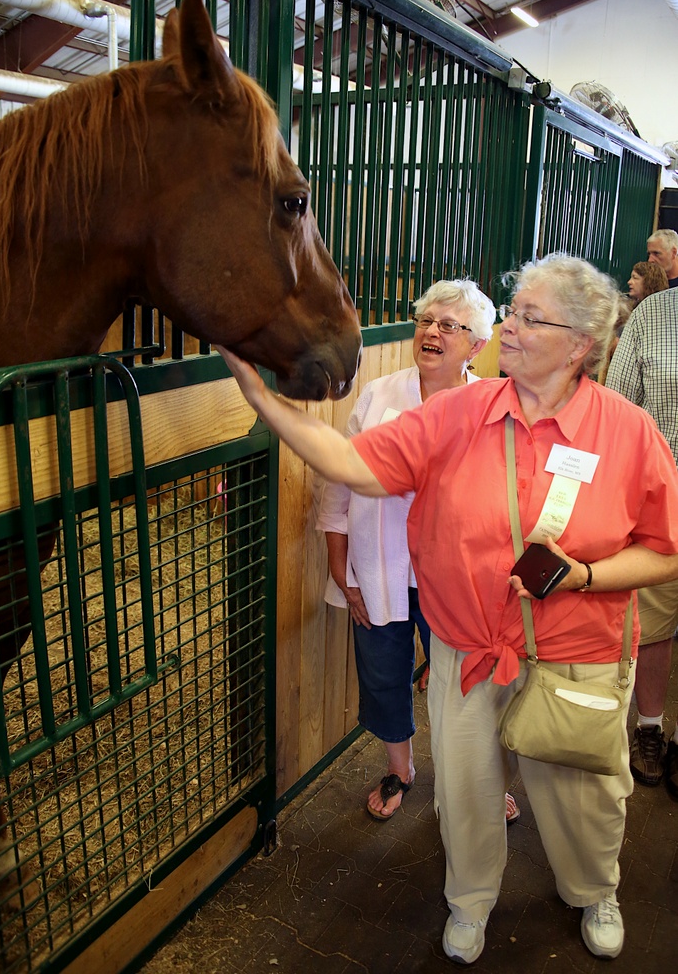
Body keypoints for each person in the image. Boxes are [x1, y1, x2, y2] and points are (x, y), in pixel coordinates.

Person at [215, 253, 678, 964]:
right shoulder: (457, 414)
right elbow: (350, 464)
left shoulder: (627, 432)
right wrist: (261, 400)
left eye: (529, 316)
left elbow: (664, 550)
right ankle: (469, 901)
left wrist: (583, 573)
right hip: (466, 646)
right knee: (465, 791)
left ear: (579, 343)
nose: (509, 328)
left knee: (583, 795)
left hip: (578, 652)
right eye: (512, 309)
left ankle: (593, 887)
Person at [316, 280, 519, 823]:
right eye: (426, 320)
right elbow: (338, 481)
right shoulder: (379, 395)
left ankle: (477, 777)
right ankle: (401, 769)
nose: (432, 332)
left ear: (477, 346)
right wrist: (340, 564)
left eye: (449, 326)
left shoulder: (492, 407)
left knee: (465, 678)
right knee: (382, 670)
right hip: (379, 563)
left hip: (455, 573)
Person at [606, 275, 678, 798]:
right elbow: (617, 403)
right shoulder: (654, 315)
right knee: (654, 623)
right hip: (661, 498)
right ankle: (649, 729)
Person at [597, 262, 666, 385]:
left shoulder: (657, 316)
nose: (629, 282)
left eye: (635, 278)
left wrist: (616, 345)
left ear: (649, 281)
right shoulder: (627, 308)